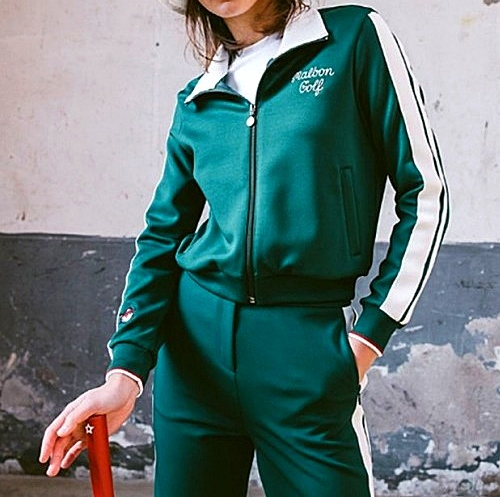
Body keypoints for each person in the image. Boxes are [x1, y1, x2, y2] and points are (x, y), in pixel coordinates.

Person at [39, 0, 449, 496]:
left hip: (303, 347)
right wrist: (124, 372)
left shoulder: (352, 39)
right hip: (193, 356)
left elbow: (426, 193)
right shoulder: (198, 99)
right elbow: (162, 237)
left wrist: (368, 337)